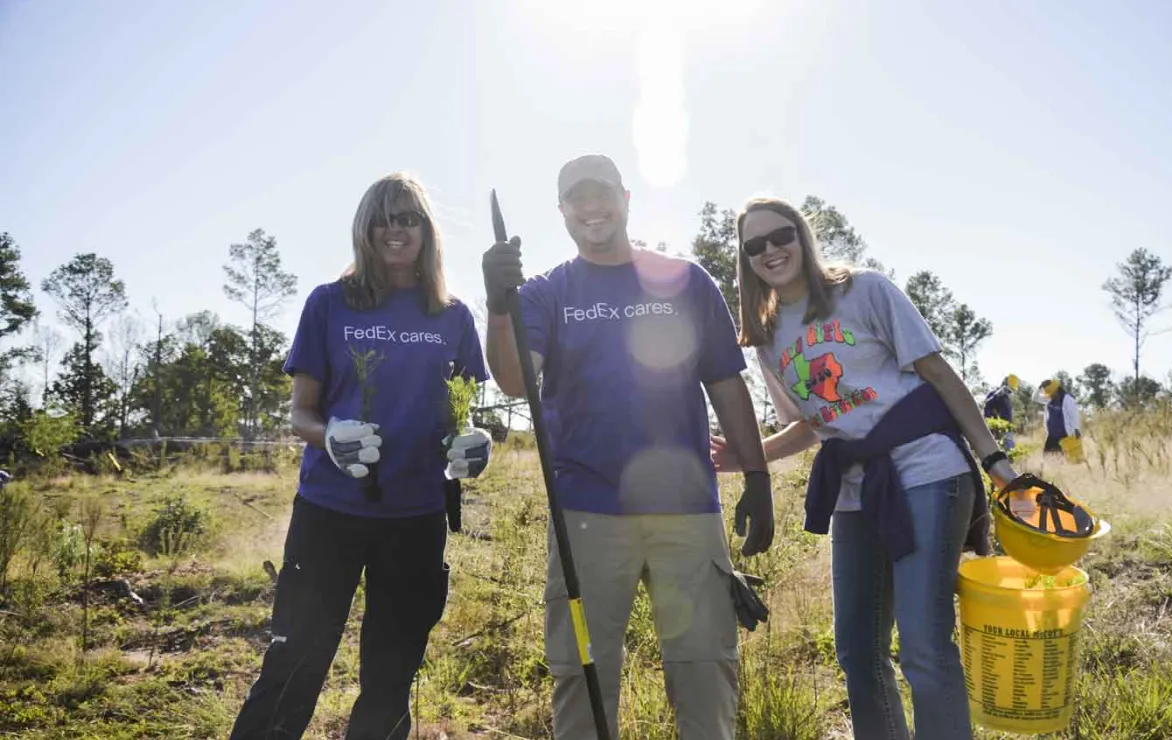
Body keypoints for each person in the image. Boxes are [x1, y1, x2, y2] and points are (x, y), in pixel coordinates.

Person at [480, 154, 773, 740]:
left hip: (687, 509)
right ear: (561, 210)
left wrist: (758, 478)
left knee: (705, 668)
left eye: (602, 194)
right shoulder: (544, 293)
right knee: (582, 671)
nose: (592, 208)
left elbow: (724, 382)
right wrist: (498, 304)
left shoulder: (686, 279)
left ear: (625, 198)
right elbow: (516, 381)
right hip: (587, 511)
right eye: (576, 198)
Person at [710, 196, 1020, 740]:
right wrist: (746, 456)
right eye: (753, 245)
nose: (769, 251)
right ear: (745, 259)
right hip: (853, 493)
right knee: (857, 649)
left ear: (801, 236)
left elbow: (939, 375)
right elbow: (810, 426)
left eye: (780, 236)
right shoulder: (766, 335)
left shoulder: (865, 290)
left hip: (926, 472)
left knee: (923, 645)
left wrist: (995, 462)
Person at [230, 172, 493, 740]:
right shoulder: (330, 304)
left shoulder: (453, 317)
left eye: (408, 219)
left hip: (416, 518)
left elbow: (463, 416)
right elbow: (301, 413)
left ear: (427, 230)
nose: (394, 231)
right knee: (294, 660)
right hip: (330, 513)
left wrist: (471, 445)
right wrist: (332, 437)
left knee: (391, 676)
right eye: (382, 219)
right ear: (364, 229)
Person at [1036, 378, 1081, 455]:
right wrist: (1039, 387)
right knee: (1047, 458)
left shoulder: (1067, 399)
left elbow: (1074, 415)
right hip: (1051, 435)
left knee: (1066, 459)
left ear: (1056, 390)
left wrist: (1076, 429)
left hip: (1064, 436)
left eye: (1051, 393)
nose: (1050, 395)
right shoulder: (1049, 399)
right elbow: (1035, 398)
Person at [983, 374, 1020, 451]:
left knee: (1010, 451)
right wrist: (996, 395)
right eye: (1009, 390)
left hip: (1007, 429)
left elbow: (1008, 416)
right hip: (996, 429)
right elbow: (987, 406)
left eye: (1011, 391)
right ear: (1004, 384)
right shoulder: (994, 394)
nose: (1010, 392)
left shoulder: (1007, 399)